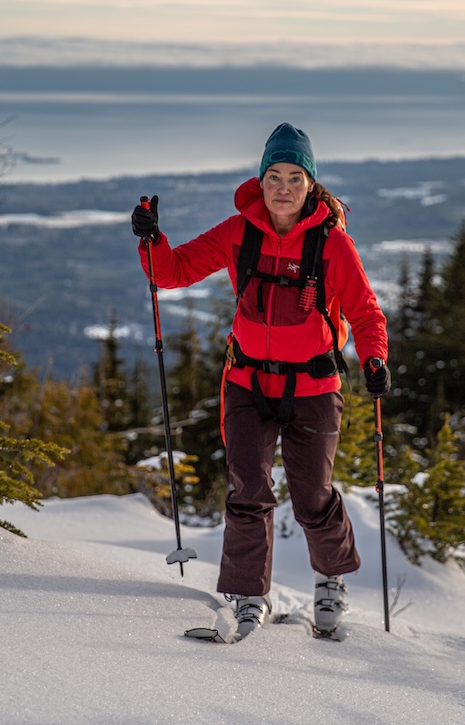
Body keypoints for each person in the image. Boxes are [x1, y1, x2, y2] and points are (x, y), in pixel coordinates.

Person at [131, 122, 390, 638]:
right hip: (247, 381)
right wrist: (152, 240)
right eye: (275, 176)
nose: (284, 188)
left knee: (312, 495)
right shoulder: (239, 231)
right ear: (262, 179)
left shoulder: (332, 244)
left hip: (315, 387)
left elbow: (366, 312)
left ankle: (331, 580)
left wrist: (374, 360)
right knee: (249, 488)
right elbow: (174, 271)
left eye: (296, 177)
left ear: (311, 184)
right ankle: (250, 596)